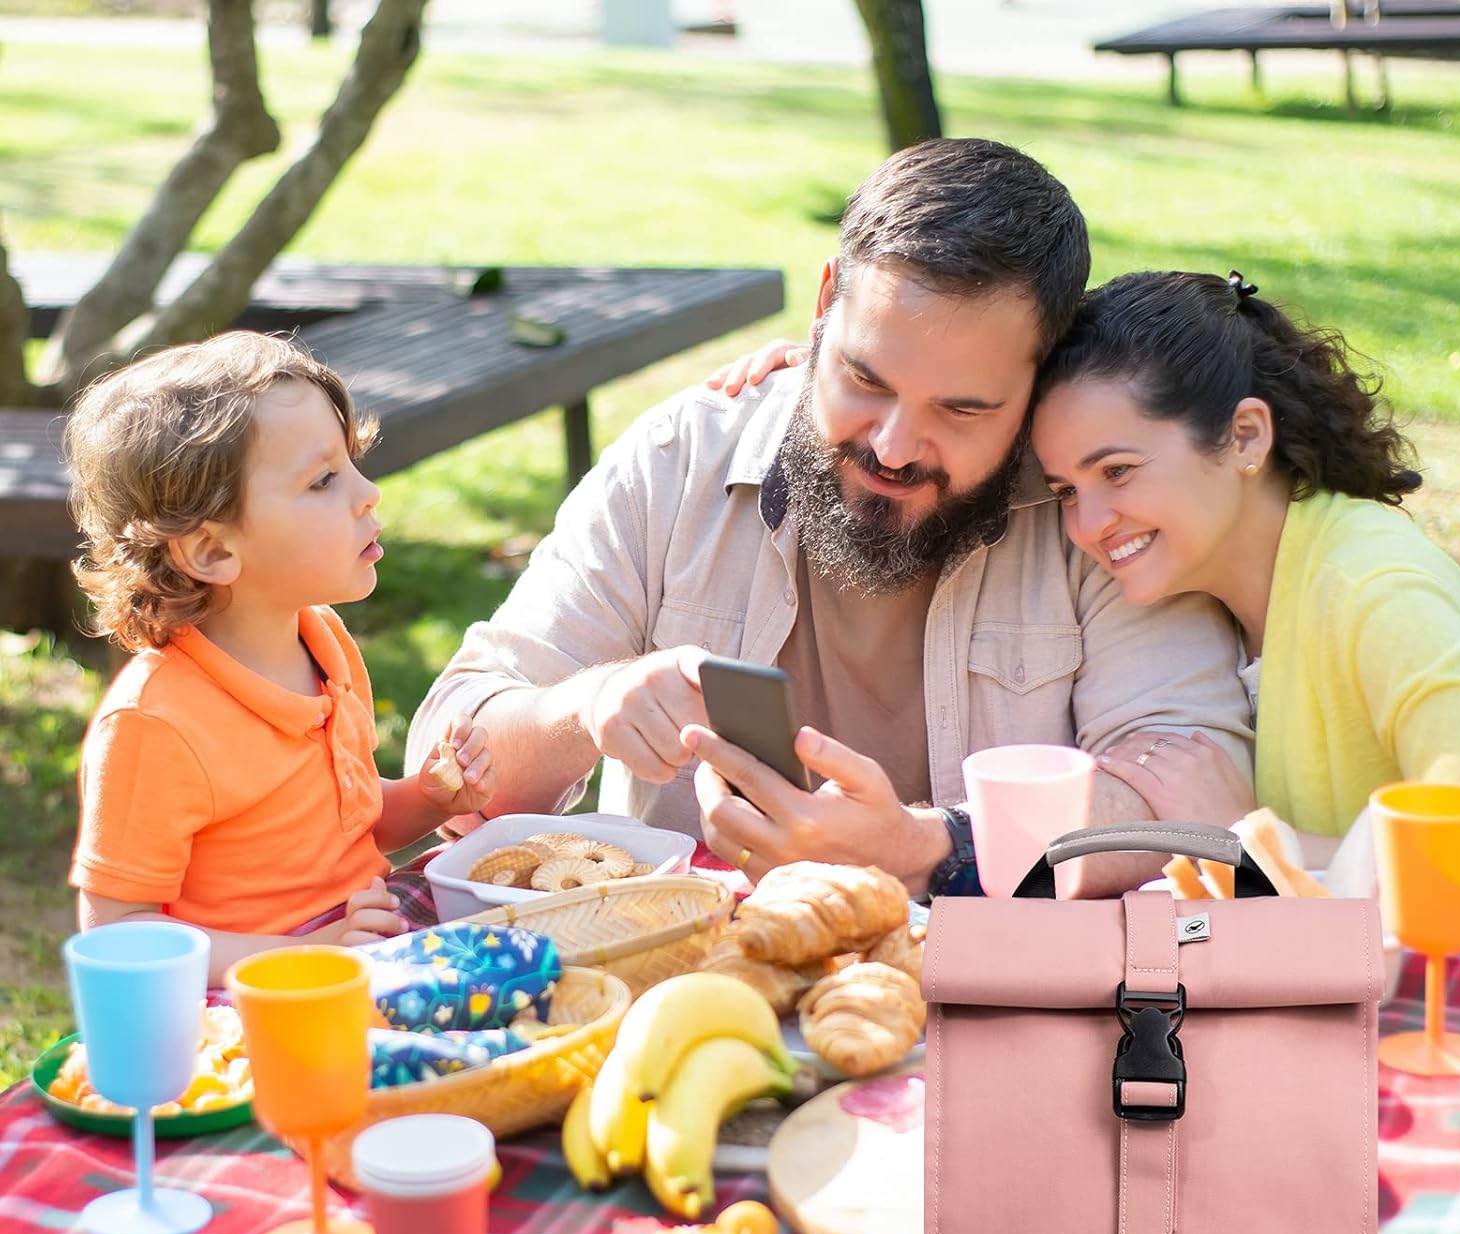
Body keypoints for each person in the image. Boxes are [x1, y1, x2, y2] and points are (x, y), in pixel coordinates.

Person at [407, 138, 1253, 898]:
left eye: (962, 410)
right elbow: (443, 761)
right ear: (824, 305)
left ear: (1040, 380)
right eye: (866, 380)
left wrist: (933, 848)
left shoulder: (1095, 507)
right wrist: (587, 704)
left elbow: (1201, 796)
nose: (894, 446)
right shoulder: (678, 462)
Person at [1025, 269, 1460, 873]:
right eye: (1067, 491)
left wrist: (1246, 840)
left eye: (1117, 471)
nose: (1088, 526)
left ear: (1246, 437)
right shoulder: (1218, 596)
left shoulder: (1379, 593)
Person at [68, 332, 497, 985]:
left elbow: (348, 829)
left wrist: (431, 797)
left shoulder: (321, 642)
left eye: (351, 463)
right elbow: (117, 933)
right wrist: (306, 956)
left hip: (360, 942)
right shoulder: (153, 724)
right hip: (252, 995)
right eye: (323, 480)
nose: (368, 493)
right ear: (212, 551)